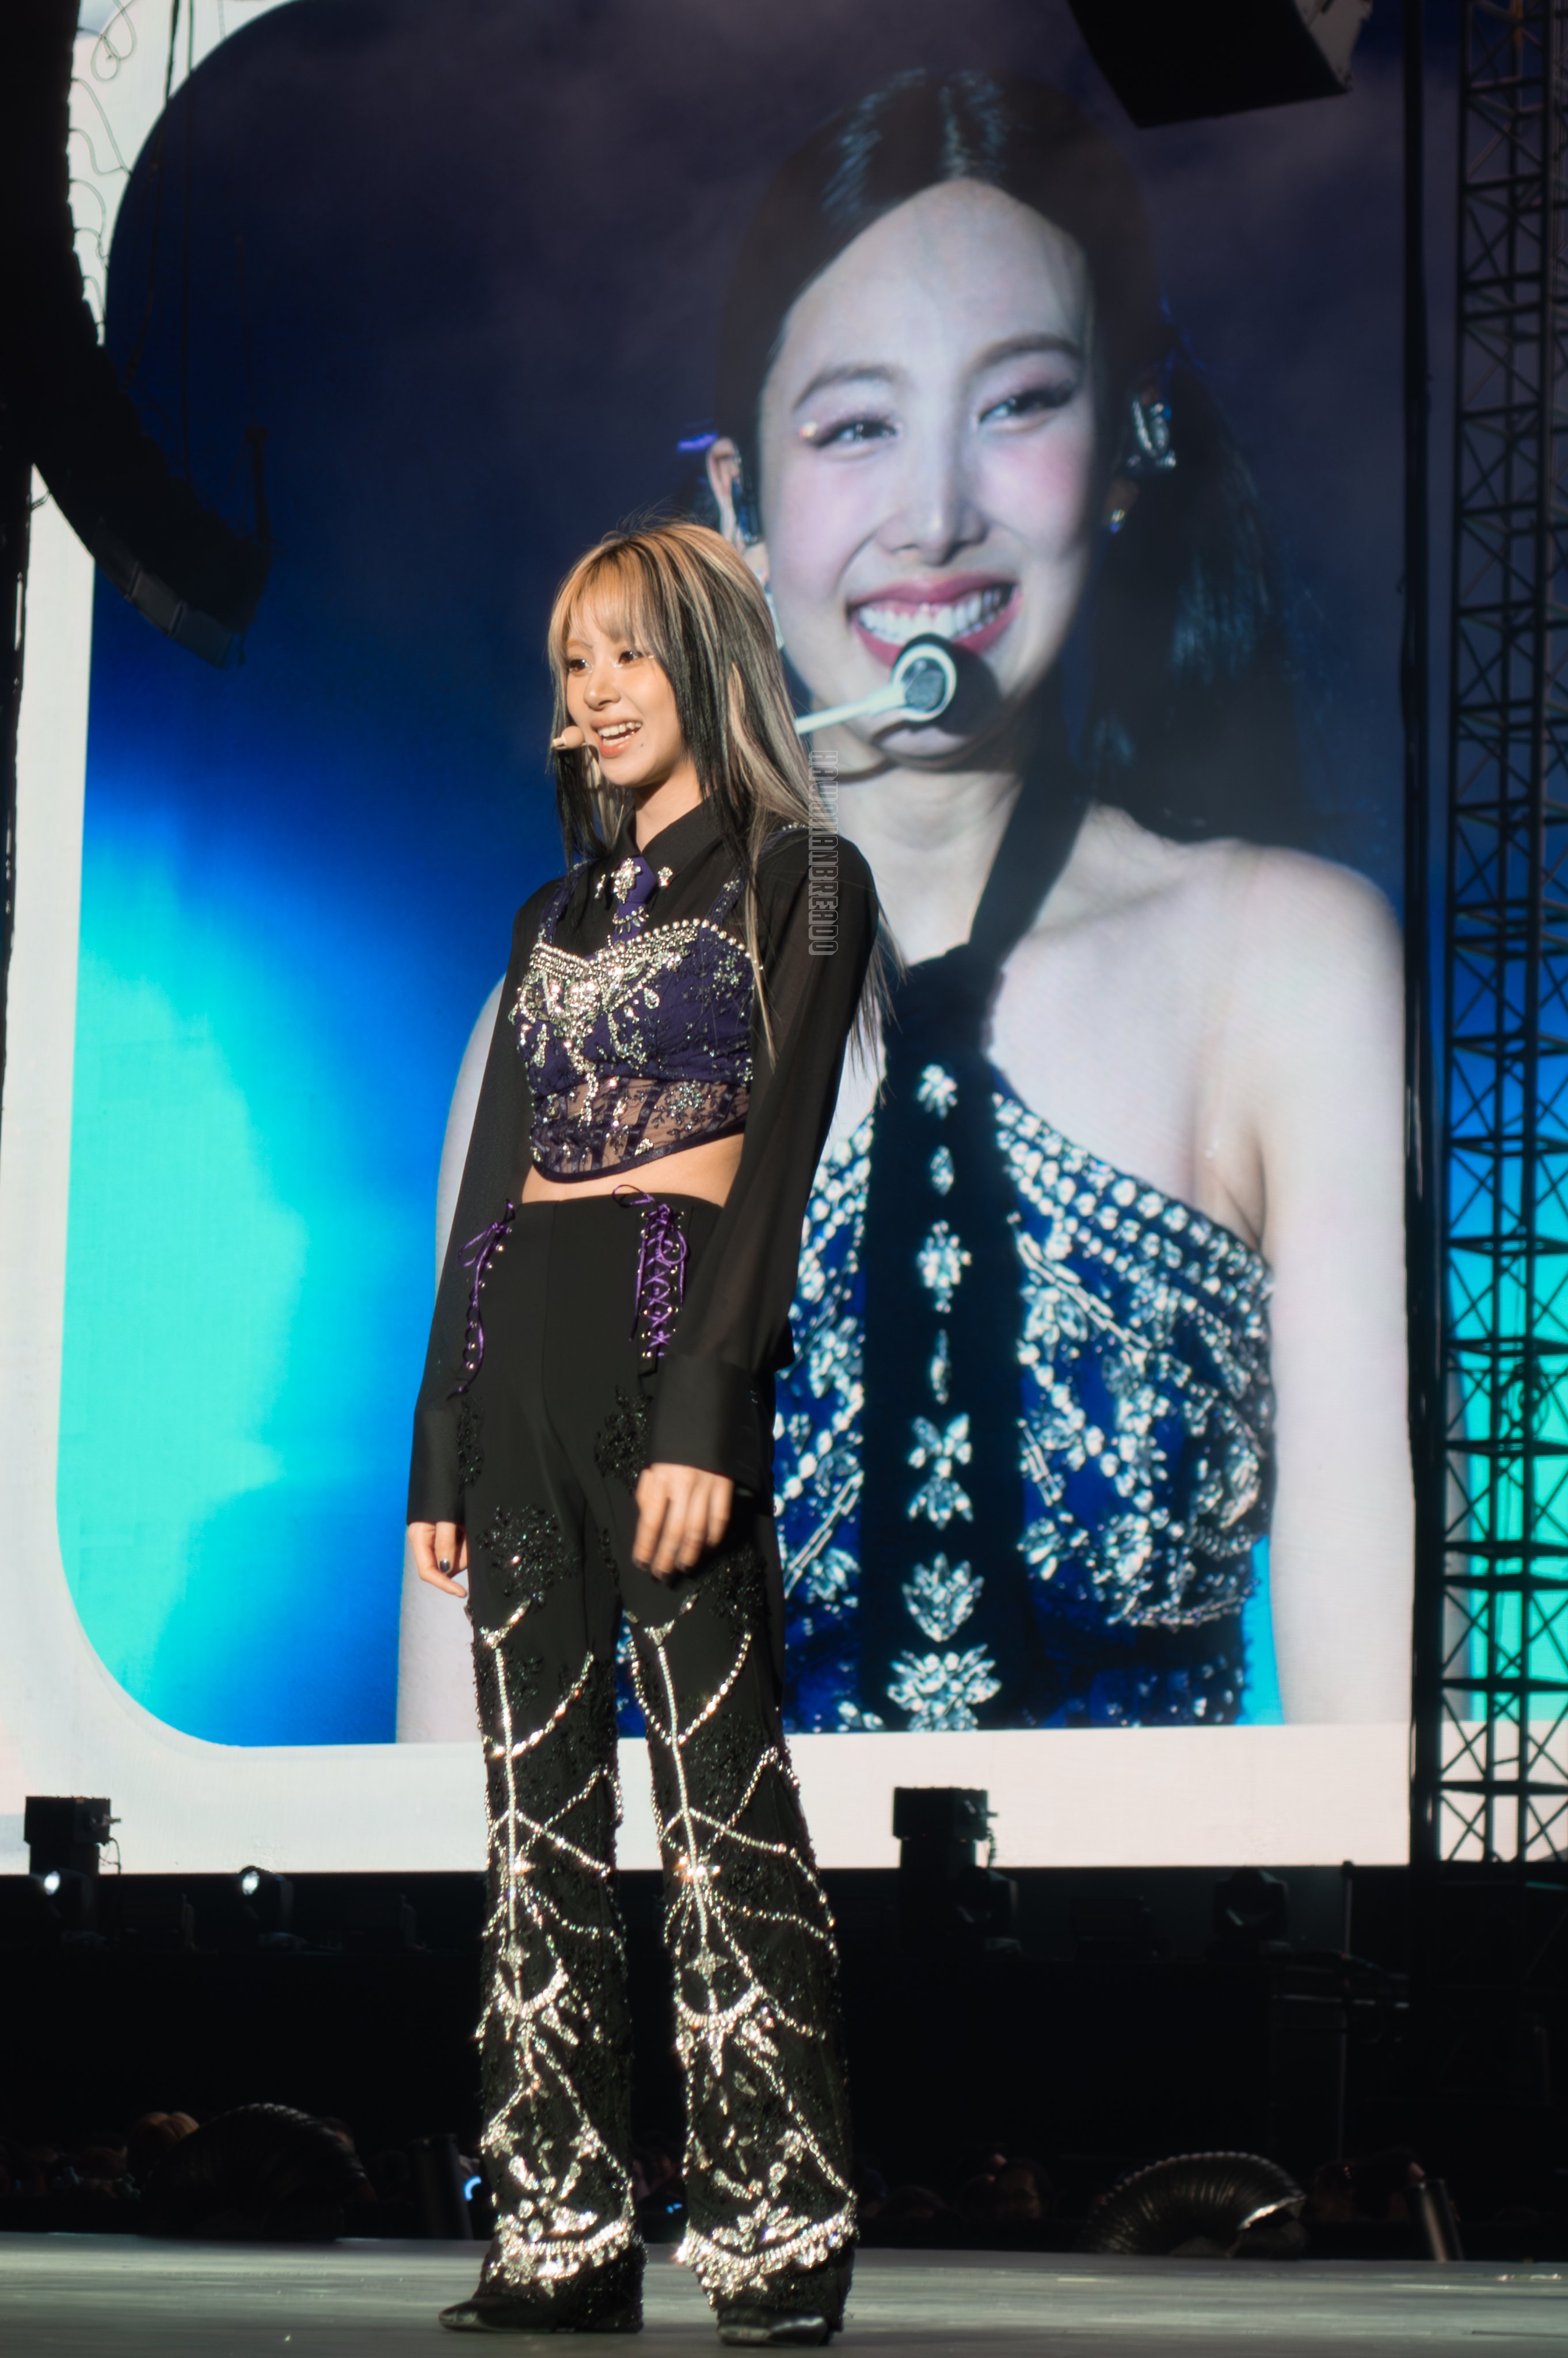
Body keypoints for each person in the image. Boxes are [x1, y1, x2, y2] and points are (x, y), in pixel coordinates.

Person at [694, 69, 1412, 1732]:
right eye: (856, 427)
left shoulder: (1286, 968)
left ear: (1126, 452)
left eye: (1016, 404)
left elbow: (1370, 1753)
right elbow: (464, 1770)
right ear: (737, 508)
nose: (937, 517)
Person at [406, 522, 875, 2341]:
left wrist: (707, 1406)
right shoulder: (548, 919)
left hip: (674, 1337)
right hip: (520, 1348)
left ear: (703, 659)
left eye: (627, 654)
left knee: (718, 1804)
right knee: (533, 1817)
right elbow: (486, 1195)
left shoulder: (801, 877)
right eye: (573, 664)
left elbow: (777, 1166)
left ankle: (776, 2231)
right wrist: (440, 1436)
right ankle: (557, 2234)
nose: (595, 694)